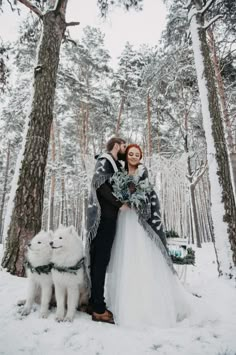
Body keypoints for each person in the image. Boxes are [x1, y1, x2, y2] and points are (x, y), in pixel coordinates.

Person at [106, 144, 191, 327]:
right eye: (131, 153)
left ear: (140, 157)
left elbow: (148, 194)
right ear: (126, 155)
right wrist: (122, 200)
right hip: (124, 219)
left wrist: (137, 199)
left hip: (140, 221)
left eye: (137, 154)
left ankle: (150, 307)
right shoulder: (119, 173)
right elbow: (113, 192)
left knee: (143, 255)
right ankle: (127, 305)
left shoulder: (143, 173)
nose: (134, 156)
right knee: (126, 256)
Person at [86, 137, 128, 324]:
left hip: (106, 218)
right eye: (124, 146)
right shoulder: (104, 161)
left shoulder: (111, 163)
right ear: (117, 145)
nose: (125, 150)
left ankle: (93, 302)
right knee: (100, 262)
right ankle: (99, 309)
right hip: (104, 219)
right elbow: (100, 185)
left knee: (98, 262)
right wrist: (119, 204)